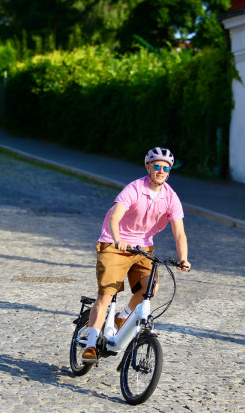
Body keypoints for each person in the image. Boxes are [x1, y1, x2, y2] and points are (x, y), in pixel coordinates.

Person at [82, 147, 191, 364]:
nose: (161, 171)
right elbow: (114, 217)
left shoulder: (170, 197)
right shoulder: (134, 189)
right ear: (148, 167)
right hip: (115, 244)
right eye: (157, 166)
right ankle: (91, 344)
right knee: (106, 294)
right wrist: (117, 239)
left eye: (166, 168)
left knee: (150, 288)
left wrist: (183, 258)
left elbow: (179, 232)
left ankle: (122, 316)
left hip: (143, 248)